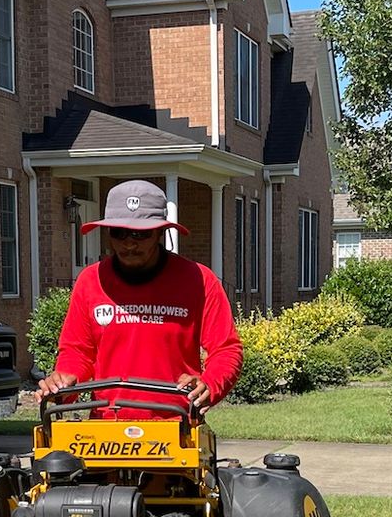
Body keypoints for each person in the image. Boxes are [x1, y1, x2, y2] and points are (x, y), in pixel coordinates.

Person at [39, 179, 243, 417]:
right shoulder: (90, 281)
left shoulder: (199, 279)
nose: (129, 243)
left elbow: (226, 349)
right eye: (119, 233)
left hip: (177, 426)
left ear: (160, 232)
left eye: (140, 234)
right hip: (106, 430)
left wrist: (210, 383)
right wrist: (64, 382)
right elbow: (77, 352)